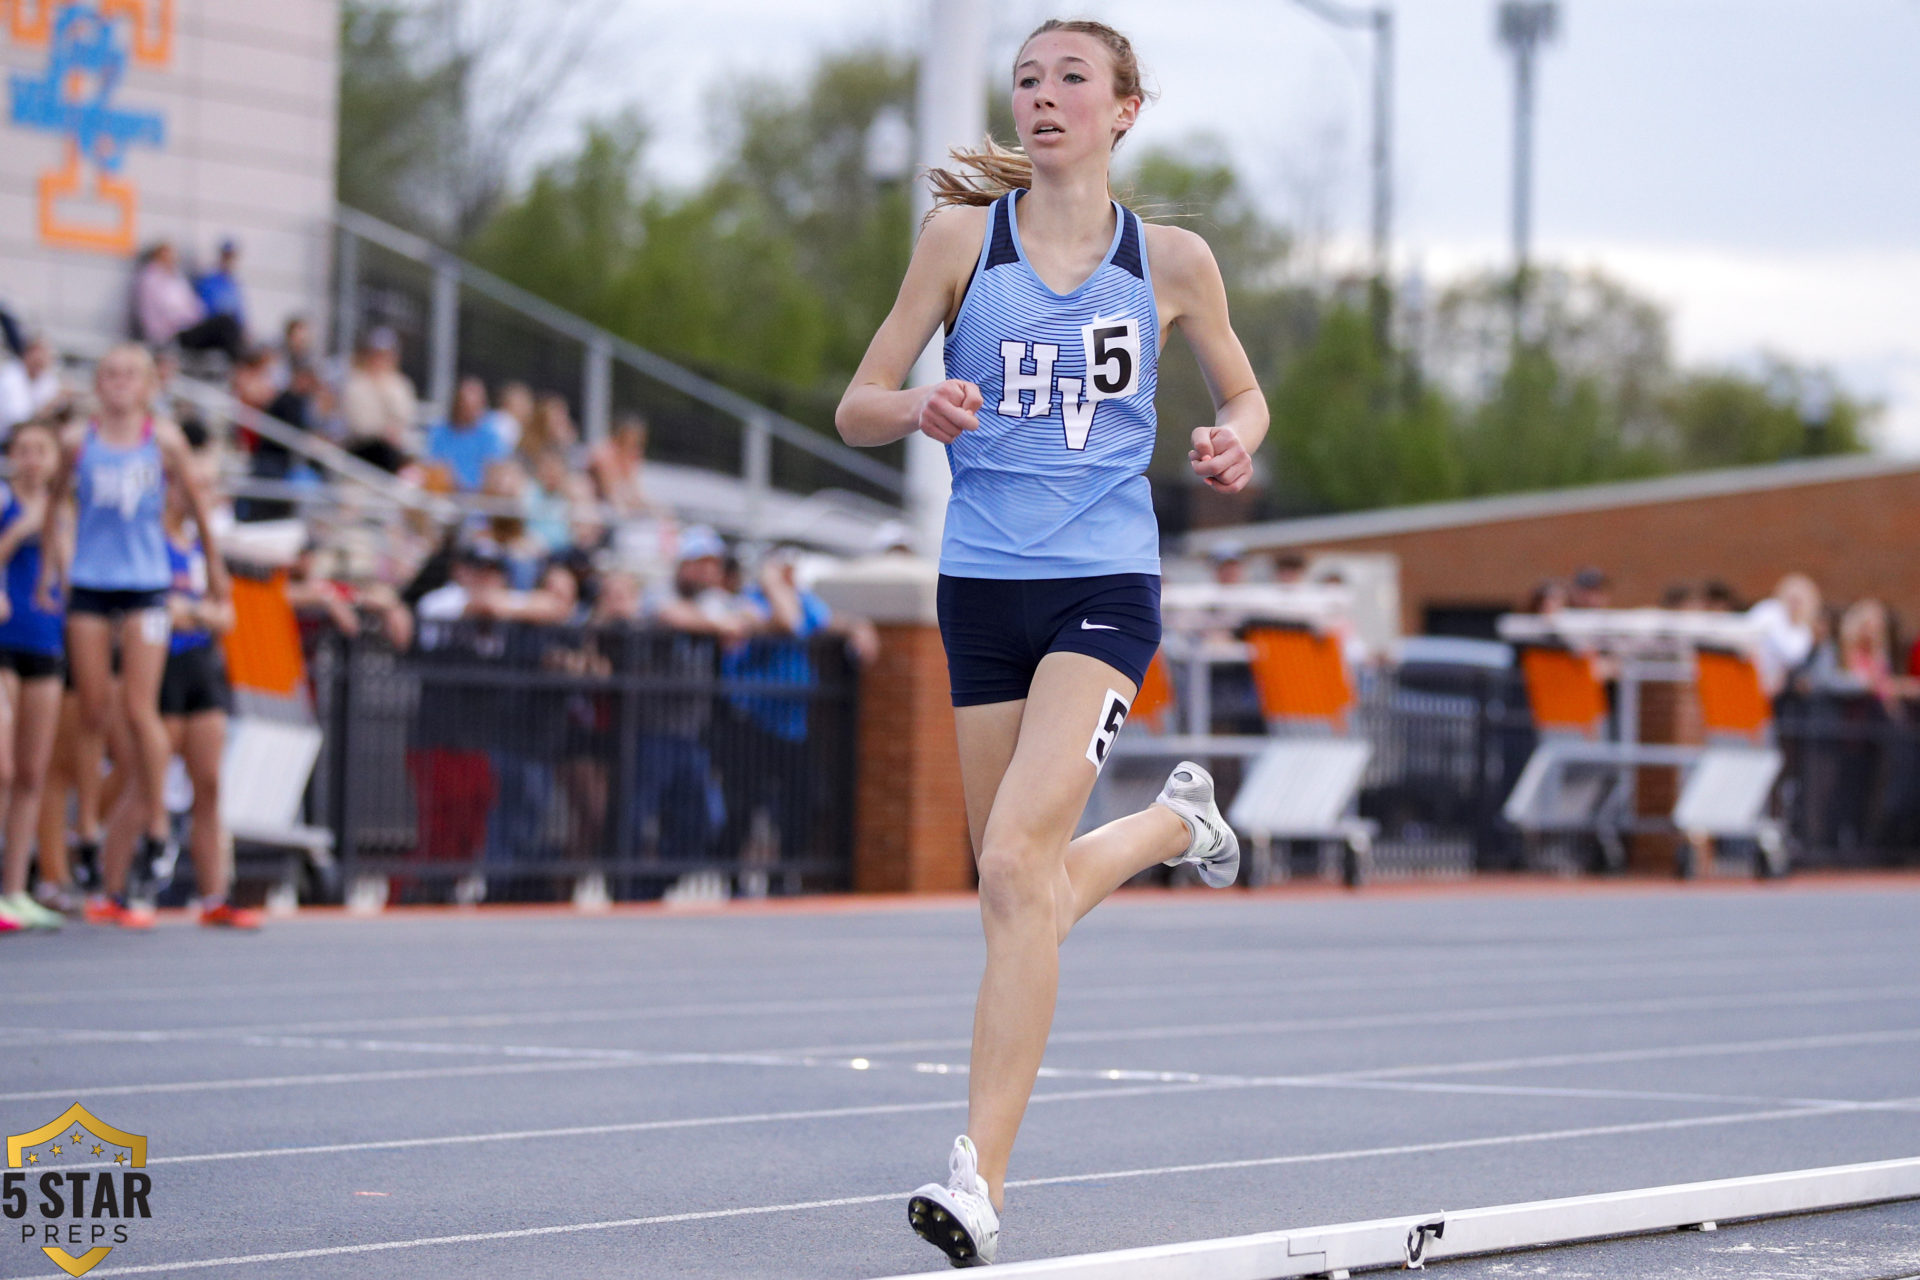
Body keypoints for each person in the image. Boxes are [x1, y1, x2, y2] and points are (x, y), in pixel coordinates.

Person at [833, 19, 1263, 1266]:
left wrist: (1240, 433)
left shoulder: (1172, 261)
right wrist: (921, 403)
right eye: (1027, 78)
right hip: (980, 592)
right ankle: (1176, 825)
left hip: (1104, 591)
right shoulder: (964, 241)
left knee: (1017, 869)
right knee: (1011, 882)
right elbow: (858, 404)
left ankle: (979, 1178)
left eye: (1073, 77)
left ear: (1126, 109)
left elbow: (1242, 388)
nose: (1044, 95)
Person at [39, 345, 228, 928]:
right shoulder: (79, 440)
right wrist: (54, 564)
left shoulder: (163, 438)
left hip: (146, 583)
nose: (118, 383)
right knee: (94, 708)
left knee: (140, 705)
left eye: (129, 375)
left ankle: (154, 821)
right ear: (98, 383)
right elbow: (54, 503)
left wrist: (215, 571)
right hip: (93, 580)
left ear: (147, 385)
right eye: (110, 374)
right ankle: (89, 830)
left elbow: (196, 504)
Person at [0, 419, 70, 930]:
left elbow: (68, 573)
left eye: (41, 450)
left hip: (44, 641)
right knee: (2, 769)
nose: (32, 459)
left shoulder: (63, 511)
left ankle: (16, 888)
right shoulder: (6, 504)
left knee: (30, 773)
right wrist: (22, 528)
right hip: (4, 642)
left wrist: (53, 531)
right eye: (24, 450)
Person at [133, 243, 243, 359]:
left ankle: (242, 361)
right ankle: (241, 364)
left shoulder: (176, 278)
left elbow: (195, 307)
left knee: (227, 328)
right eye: (167, 256)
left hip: (188, 329)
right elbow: (151, 314)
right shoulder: (150, 280)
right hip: (172, 335)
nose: (171, 260)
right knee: (225, 323)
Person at [341, 328, 419, 472]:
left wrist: (384, 389)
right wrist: (381, 431)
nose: (380, 360)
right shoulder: (355, 384)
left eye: (385, 355)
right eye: (376, 354)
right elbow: (359, 424)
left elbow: (405, 416)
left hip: (393, 453)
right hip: (362, 451)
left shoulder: (400, 385)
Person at [427, 376, 511, 492]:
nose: (469, 412)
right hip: (447, 494)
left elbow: (495, 469)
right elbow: (434, 465)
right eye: (465, 406)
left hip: (481, 497)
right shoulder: (440, 431)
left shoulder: (490, 434)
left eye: (474, 407)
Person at [0, 336, 67, 431]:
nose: (40, 361)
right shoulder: (10, 377)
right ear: (27, 355)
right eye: (37, 359)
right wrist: (50, 406)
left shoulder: (46, 378)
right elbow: (19, 422)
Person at [192, 239, 246, 332]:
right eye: (227, 256)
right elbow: (203, 311)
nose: (229, 260)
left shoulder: (233, 285)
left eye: (231, 257)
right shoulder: (208, 280)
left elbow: (240, 315)